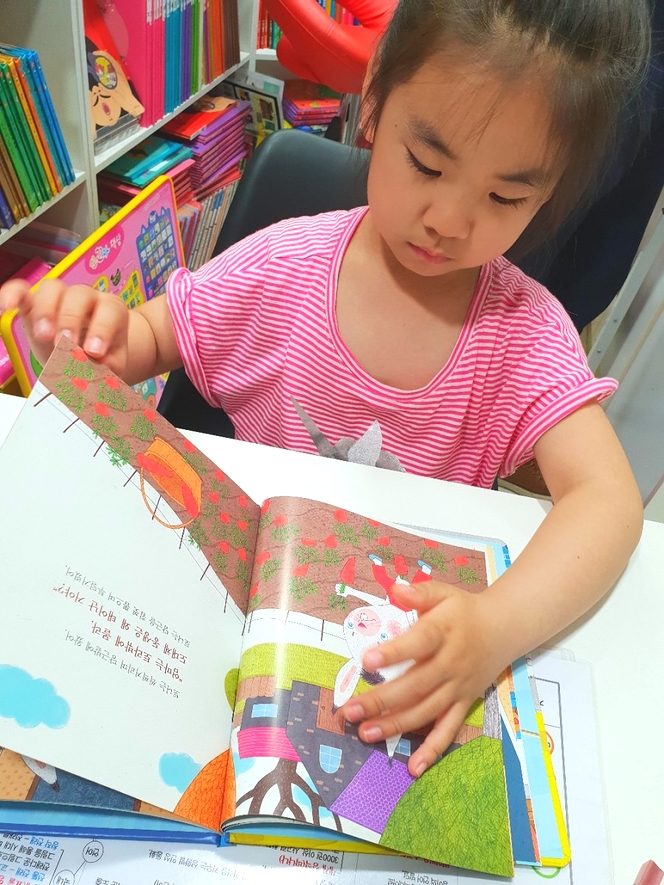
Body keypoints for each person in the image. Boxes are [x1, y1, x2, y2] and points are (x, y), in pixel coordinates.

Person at [0, 0, 650, 779]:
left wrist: (495, 627)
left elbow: (608, 501)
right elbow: (153, 338)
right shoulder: (283, 265)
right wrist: (98, 332)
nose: (449, 220)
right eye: (427, 164)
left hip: (384, 652)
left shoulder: (522, 333)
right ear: (373, 100)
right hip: (218, 614)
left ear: (551, 195)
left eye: (505, 198)